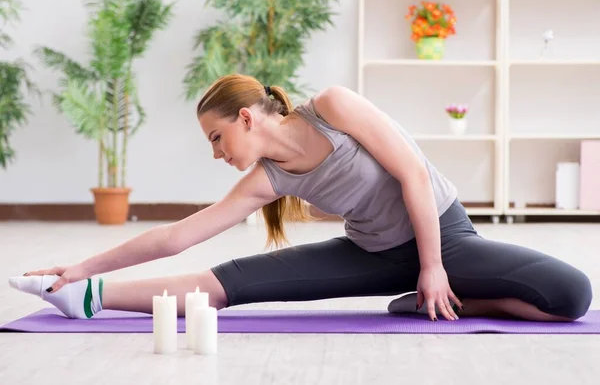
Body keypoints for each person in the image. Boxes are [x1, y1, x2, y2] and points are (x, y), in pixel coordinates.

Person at [9, 74, 592, 322]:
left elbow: (414, 173)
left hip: (444, 236)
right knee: (226, 284)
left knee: (571, 295)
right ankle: (90, 298)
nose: (216, 152)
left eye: (217, 138)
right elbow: (178, 235)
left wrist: (435, 268)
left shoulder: (333, 108)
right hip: (371, 254)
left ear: (244, 117)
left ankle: (438, 298)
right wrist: (81, 267)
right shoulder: (269, 177)